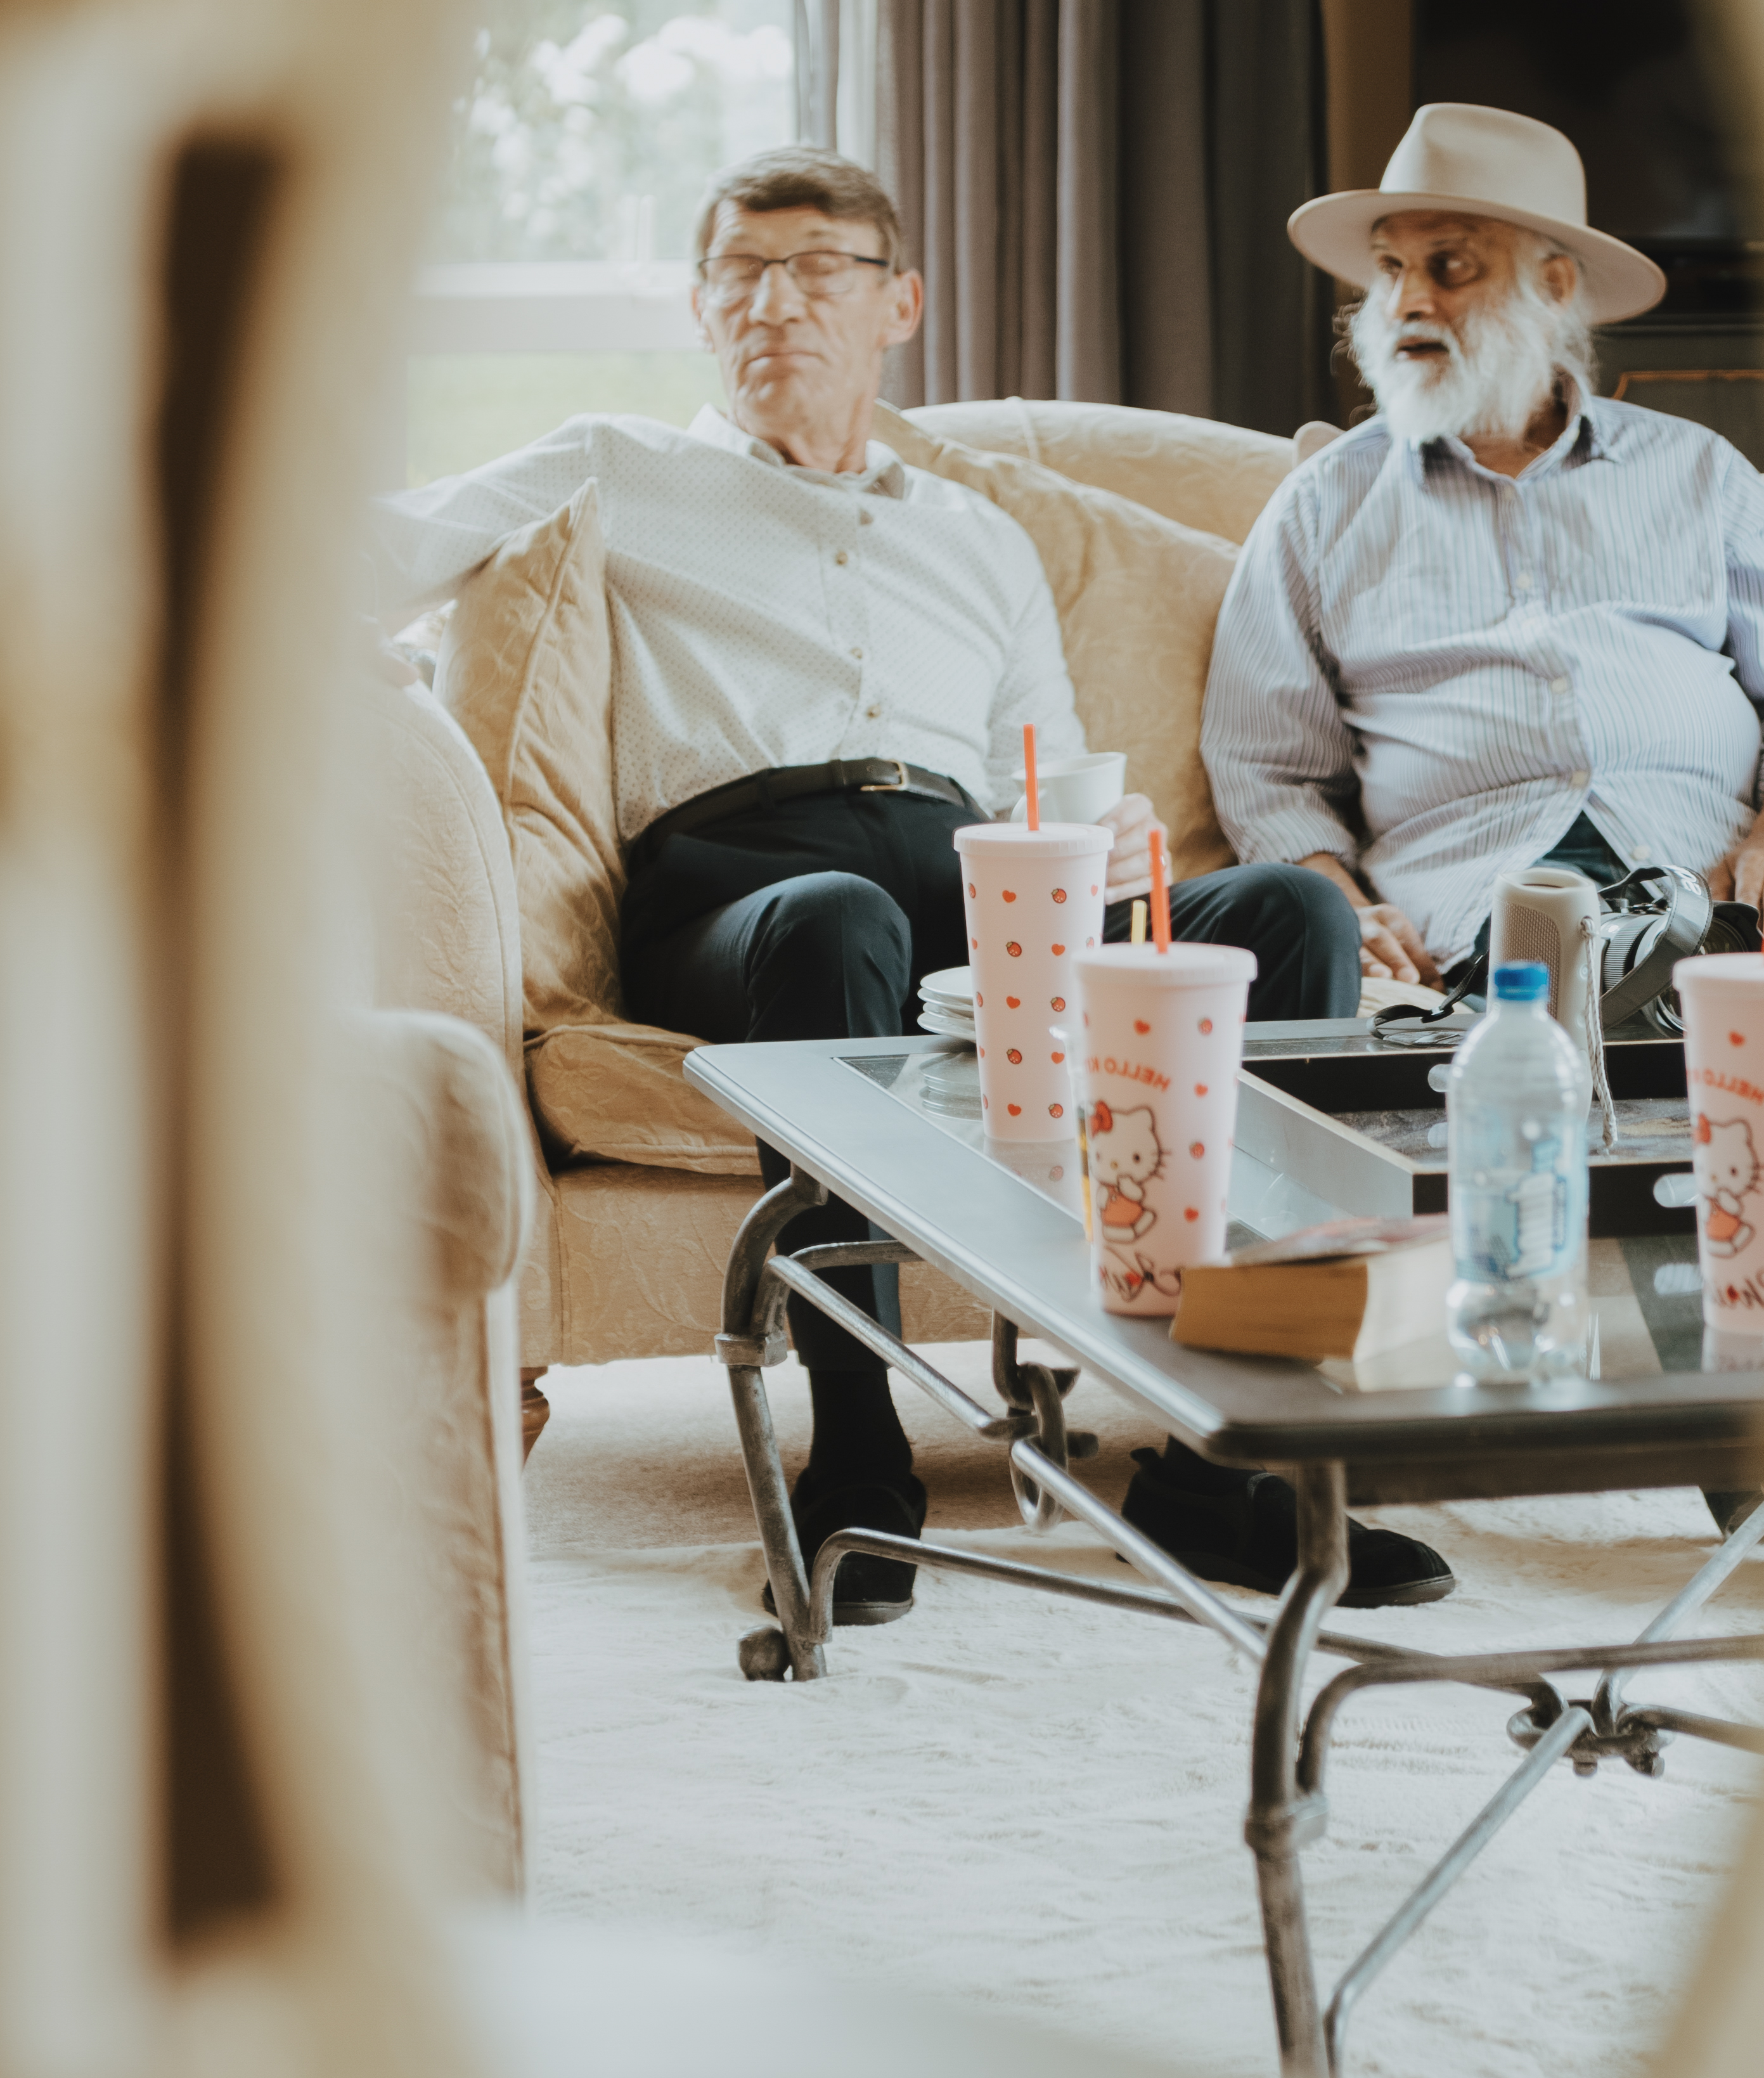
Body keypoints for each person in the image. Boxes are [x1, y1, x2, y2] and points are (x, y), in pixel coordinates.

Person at [375, 148, 1450, 1617]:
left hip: (979, 877)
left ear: (900, 304)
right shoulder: (618, 464)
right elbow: (372, 553)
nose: (776, 302)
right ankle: (859, 1445)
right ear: (699, 306)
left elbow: (1049, 780)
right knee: (838, 915)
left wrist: (1104, 883)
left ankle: (1227, 1455)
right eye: (740, 272)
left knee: (1287, 914)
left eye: (819, 268)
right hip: (741, 884)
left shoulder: (982, 536)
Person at [1201, 103, 1764, 991]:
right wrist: (1341, 906)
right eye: (1391, 268)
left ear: (1555, 287)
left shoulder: (1703, 474)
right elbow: (1263, 769)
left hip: (1710, 906)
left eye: (1452, 266)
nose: (1407, 302)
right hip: (1474, 926)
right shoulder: (1322, 507)